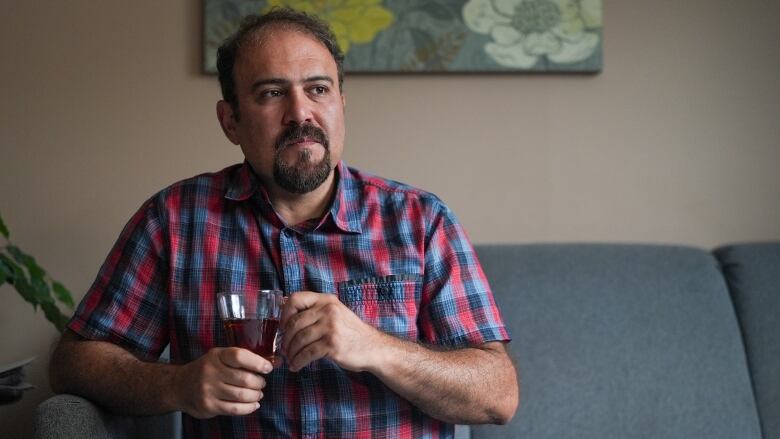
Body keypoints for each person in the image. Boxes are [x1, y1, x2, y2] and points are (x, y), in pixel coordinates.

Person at [50, 8, 518, 438]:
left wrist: (377, 347)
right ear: (229, 121)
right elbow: (73, 363)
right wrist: (179, 384)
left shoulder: (420, 221)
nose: (300, 113)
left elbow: (498, 395)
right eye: (272, 93)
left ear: (341, 102)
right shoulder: (174, 221)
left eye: (318, 89)